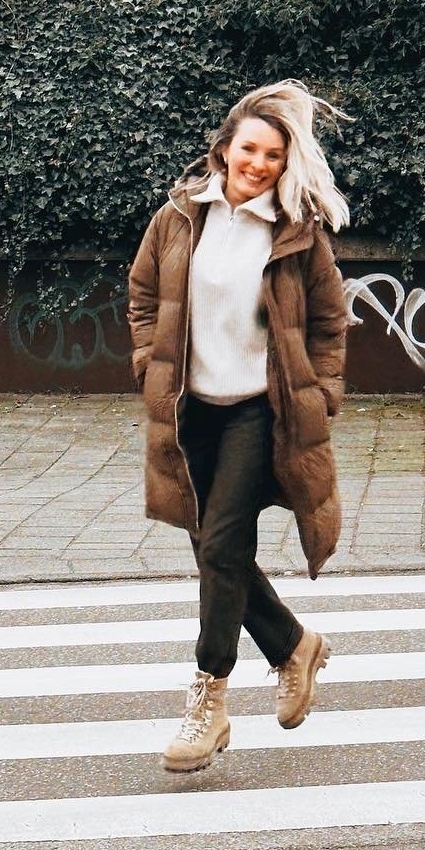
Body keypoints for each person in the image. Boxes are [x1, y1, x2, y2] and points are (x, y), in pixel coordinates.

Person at [127, 80, 350, 772]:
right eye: (248, 149)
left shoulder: (295, 235)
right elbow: (141, 295)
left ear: (286, 164)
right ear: (223, 150)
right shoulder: (177, 219)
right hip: (191, 408)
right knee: (214, 548)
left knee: (220, 546)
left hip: (260, 409)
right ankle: (293, 646)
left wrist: (321, 395)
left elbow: (329, 322)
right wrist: (148, 367)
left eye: (274, 155)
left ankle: (208, 702)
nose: (258, 163)